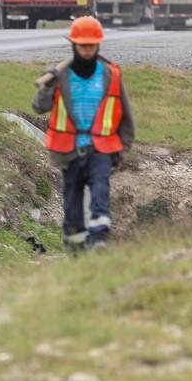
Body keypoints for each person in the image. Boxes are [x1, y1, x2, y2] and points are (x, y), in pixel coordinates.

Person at [32, 16, 134, 253]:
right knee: (72, 200)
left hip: (102, 148)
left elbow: (126, 115)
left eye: (91, 45)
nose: (87, 50)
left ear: (98, 45)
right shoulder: (61, 76)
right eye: (82, 45)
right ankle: (75, 249)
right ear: (74, 45)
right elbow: (39, 107)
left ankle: (99, 239)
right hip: (69, 149)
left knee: (100, 189)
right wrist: (46, 87)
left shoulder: (110, 74)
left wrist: (123, 147)